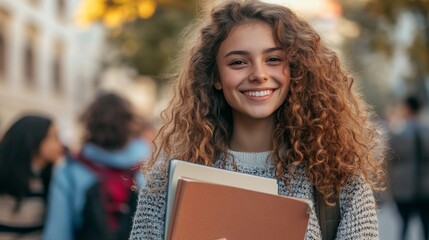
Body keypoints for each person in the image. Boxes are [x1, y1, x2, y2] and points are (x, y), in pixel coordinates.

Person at [129, 1, 385, 239]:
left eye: (273, 59)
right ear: (215, 77)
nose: (259, 74)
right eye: (238, 62)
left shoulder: (339, 181)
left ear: (295, 70)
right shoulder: (166, 183)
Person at [43, 92, 151, 240]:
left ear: (89, 124)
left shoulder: (70, 170)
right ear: (129, 125)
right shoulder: (144, 169)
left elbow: (57, 232)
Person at [0, 115, 64, 240]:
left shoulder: (48, 179)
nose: (60, 144)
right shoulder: (6, 178)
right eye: (54, 137)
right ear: (34, 138)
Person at [388, 95, 429, 240]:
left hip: (403, 188)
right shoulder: (427, 131)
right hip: (426, 188)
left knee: (403, 227)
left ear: (407, 108)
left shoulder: (398, 133)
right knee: (426, 228)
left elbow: (388, 160)